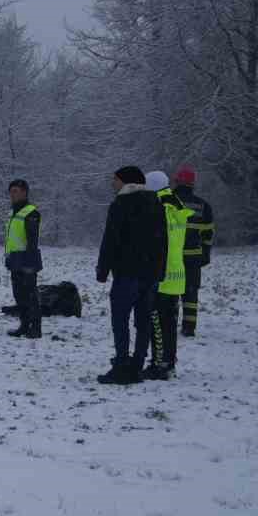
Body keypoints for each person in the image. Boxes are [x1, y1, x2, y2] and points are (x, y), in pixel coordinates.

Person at [95, 165, 167, 385]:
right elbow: (163, 241)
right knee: (143, 321)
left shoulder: (120, 204)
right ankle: (137, 364)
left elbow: (111, 240)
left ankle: (121, 365)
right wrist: (160, 270)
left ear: (126, 182)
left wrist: (102, 269)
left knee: (120, 320)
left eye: (115, 179)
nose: (112, 183)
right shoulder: (155, 203)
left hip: (126, 272)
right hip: (150, 274)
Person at [146, 170, 192, 380]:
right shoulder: (176, 205)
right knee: (170, 324)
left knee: (157, 322)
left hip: (160, 275)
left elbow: (155, 243)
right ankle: (169, 363)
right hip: (176, 273)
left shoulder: (159, 208)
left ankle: (159, 364)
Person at [171, 166, 213, 337]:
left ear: (177, 181)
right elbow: (208, 233)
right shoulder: (203, 206)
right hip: (194, 257)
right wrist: (205, 254)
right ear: (192, 183)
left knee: (171, 292)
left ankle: (169, 323)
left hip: (171, 257)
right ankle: (189, 327)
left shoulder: (168, 202)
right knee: (191, 293)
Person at [4, 180, 43, 340]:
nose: (12, 194)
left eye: (16, 191)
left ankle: (35, 328)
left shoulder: (30, 212)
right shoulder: (13, 213)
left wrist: (29, 262)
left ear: (25, 192)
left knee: (30, 295)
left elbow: (32, 240)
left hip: (27, 259)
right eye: (11, 191)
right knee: (19, 295)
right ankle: (24, 325)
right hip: (14, 258)